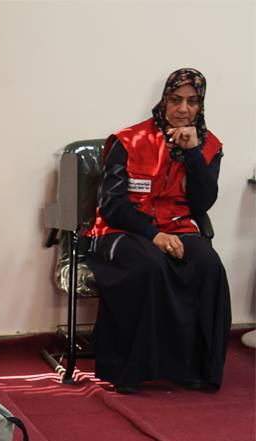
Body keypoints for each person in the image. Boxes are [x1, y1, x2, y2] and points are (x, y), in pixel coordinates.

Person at [86, 67, 229, 394]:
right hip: (119, 230)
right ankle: (130, 369)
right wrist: (154, 235)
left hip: (177, 226)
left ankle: (194, 368)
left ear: (201, 105)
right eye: (176, 100)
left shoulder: (209, 146)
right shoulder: (129, 141)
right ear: (164, 100)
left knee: (209, 265)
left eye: (192, 101)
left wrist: (193, 154)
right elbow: (112, 206)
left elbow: (202, 203)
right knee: (150, 265)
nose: (183, 108)